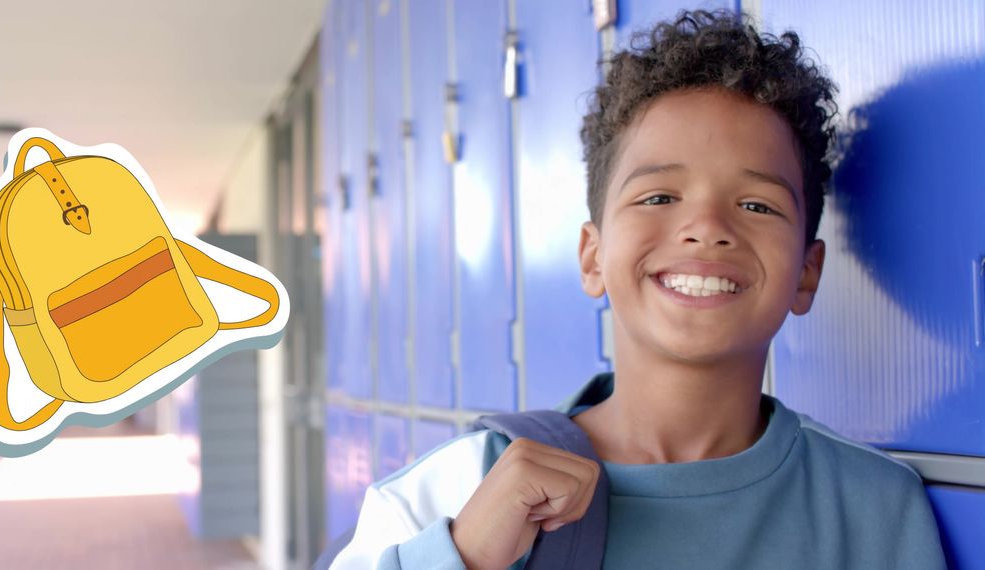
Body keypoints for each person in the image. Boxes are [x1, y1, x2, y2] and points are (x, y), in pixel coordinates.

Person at [329, 9, 948, 569]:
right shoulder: (459, 488)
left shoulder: (874, 508)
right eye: (658, 197)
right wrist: (462, 558)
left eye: (757, 205)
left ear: (807, 273)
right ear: (593, 256)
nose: (706, 227)